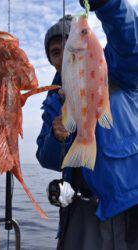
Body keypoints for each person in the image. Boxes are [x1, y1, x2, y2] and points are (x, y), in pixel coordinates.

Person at [36, 0, 138, 249]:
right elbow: (46, 158)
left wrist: (108, 4)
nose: (62, 55)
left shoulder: (116, 71)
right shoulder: (52, 102)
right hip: (82, 213)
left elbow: (130, 43)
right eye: (55, 52)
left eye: (65, 45)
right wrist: (57, 136)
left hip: (130, 203)